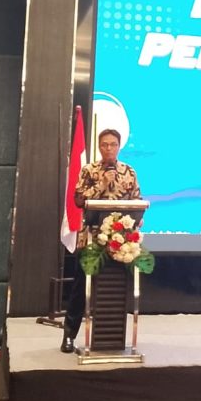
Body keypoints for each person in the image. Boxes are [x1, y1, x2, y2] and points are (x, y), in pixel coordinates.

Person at [61, 128, 140, 352]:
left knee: (115, 289)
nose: (109, 148)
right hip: (92, 239)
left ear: (119, 146)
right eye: (104, 144)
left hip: (120, 241)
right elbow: (78, 200)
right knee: (80, 288)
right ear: (99, 147)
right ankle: (69, 336)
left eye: (113, 144)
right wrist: (101, 184)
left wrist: (138, 217)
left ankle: (111, 337)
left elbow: (137, 199)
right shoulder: (89, 170)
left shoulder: (129, 171)